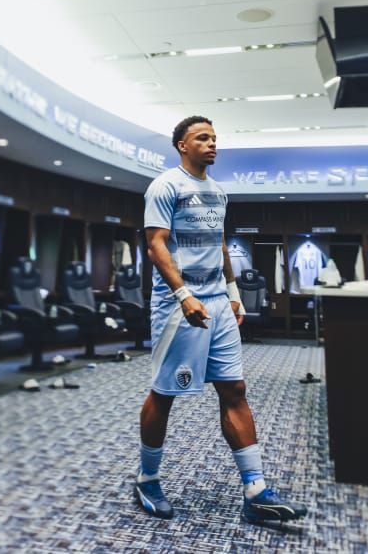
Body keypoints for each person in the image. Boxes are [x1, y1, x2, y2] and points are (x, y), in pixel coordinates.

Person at [133, 115, 307, 525]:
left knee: (234, 389)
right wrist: (183, 294)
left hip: (216, 303)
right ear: (182, 145)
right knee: (165, 393)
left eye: (214, 137)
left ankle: (256, 491)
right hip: (180, 305)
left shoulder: (217, 191)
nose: (212, 144)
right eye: (202, 138)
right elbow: (155, 245)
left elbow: (220, 244)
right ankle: (147, 479)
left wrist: (232, 293)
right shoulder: (165, 186)